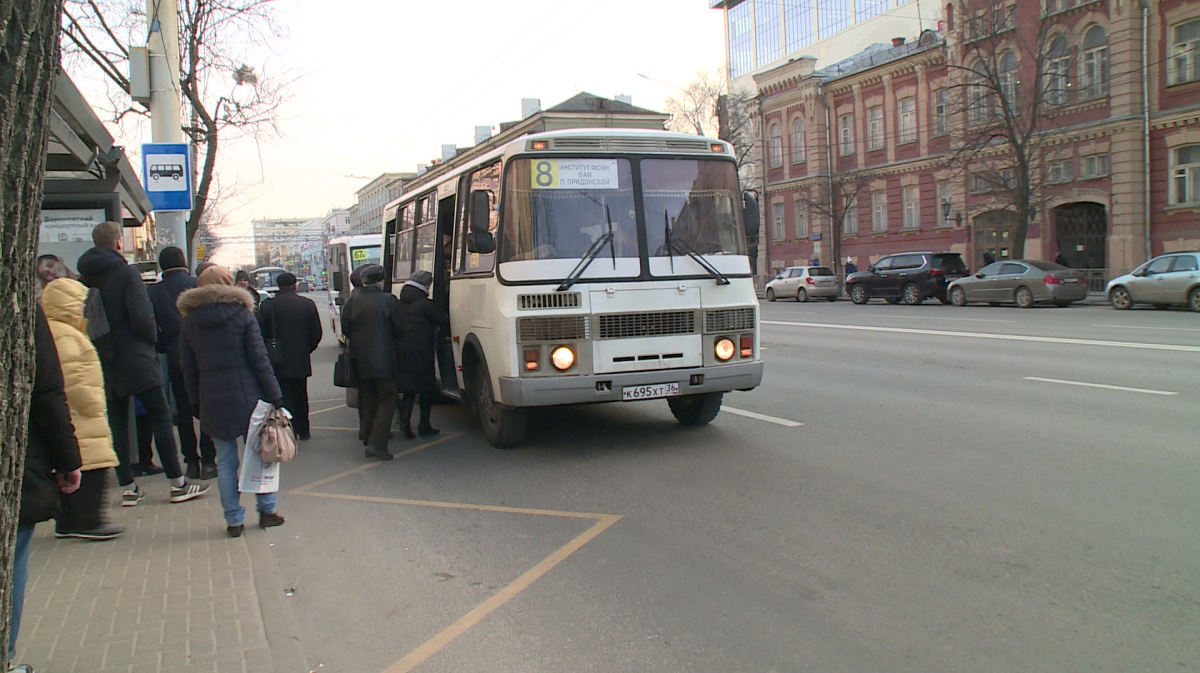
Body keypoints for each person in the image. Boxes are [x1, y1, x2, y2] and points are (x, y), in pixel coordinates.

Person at [76, 221, 209, 506]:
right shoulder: (125, 274)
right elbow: (143, 317)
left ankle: (128, 486)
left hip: (105, 357)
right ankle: (177, 483)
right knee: (160, 414)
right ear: (118, 243)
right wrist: (150, 342)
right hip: (135, 355)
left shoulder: (84, 277)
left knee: (117, 422)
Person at [178, 265, 287, 537]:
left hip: (211, 398)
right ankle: (267, 511)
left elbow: (187, 367)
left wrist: (195, 402)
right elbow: (259, 359)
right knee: (262, 455)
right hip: (248, 397)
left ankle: (234, 520)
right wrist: (275, 395)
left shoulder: (189, 321)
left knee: (225, 461)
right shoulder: (242, 315)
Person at [11, 306, 83, 670]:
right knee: (11, 565)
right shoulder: (17, 297)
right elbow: (47, 390)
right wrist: (67, 460)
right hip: (15, 465)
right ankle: (6, 659)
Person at [40, 278, 124, 540]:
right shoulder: (67, 336)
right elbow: (72, 378)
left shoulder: (52, 331)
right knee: (93, 468)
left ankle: (68, 520)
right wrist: (95, 404)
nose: (83, 310)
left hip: (74, 416)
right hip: (82, 416)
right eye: (79, 304)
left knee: (74, 469)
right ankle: (86, 520)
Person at [148, 246, 217, 480]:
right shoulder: (197, 283)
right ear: (184, 262)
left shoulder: (154, 292)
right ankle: (209, 460)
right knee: (207, 407)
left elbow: (151, 327)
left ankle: (191, 462)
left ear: (161, 266)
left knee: (183, 412)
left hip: (175, 357)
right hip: (203, 355)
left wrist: (162, 347)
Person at [341, 263, 404, 460]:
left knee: (367, 397)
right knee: (387, 398)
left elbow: (345, 329)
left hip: (360, 358)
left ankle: (368, 435)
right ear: (380, 281)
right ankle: (377, 443)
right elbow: (401, 328)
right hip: (384, 359)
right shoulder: (388, 300)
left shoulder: (353, 301)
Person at [257, 272, 323, 440]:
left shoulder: (267, 306)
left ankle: (288, 429)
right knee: (301, 394)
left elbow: (260, 333)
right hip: (300, 358)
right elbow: (316, 333)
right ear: (295, 285)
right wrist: (306, 349)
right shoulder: (307, 304)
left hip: (277, 358)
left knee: (283, 395)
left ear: (278, 286)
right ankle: (304, 429)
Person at [395, 270, 443, 438]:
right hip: (422, 353)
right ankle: (424, 425)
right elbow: (442, 320)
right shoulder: (425, 304)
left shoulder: (401, 303)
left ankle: (405, 427)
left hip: (402, 353)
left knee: (408, 392)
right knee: (426, 391)